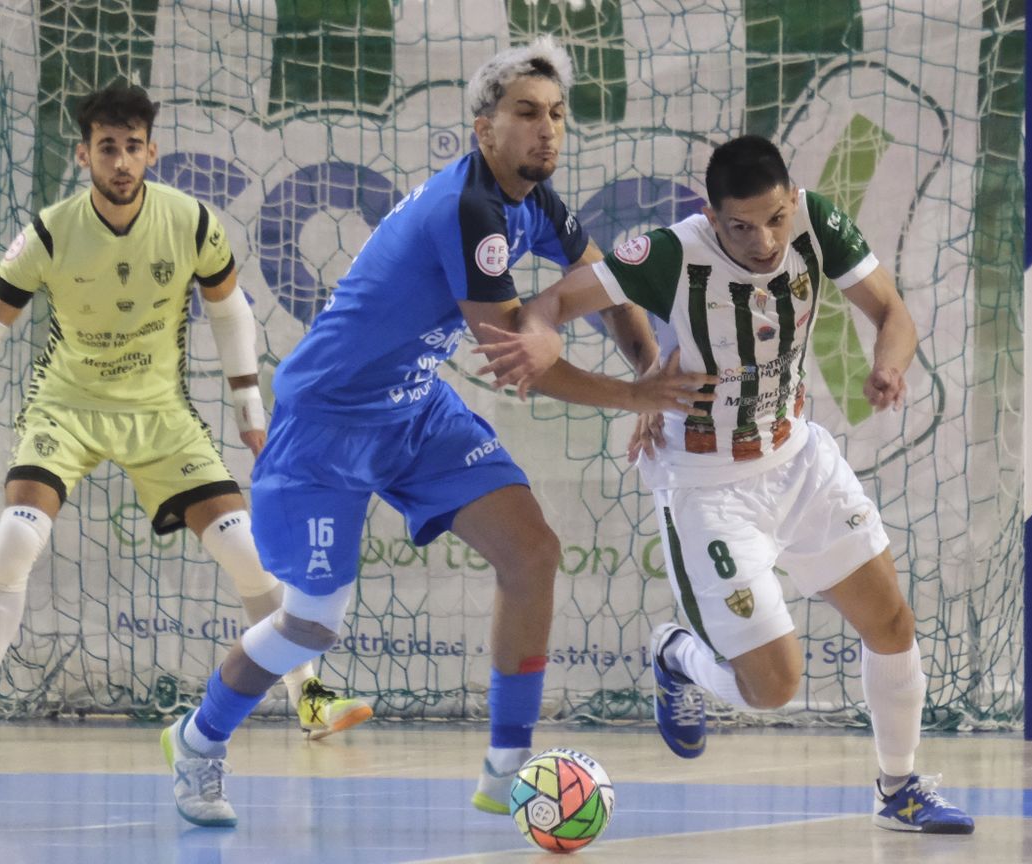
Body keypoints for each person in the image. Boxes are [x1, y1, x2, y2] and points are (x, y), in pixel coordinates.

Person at [159, 37, 716, 827]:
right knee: (311, 622)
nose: (546, 130)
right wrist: (634, 396)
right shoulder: (469, 209)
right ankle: (199, 738)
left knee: (533, 553)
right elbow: (513, 359)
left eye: (557, 114)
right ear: (484, 128)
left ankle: (507, 771)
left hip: (414, 407)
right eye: (526, 113)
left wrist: (653, 376)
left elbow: (611, 285)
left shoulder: (537, 201)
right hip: (328, 421)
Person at [474, 135, 976, 834]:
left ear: (791, 201)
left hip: (799, 459)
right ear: (712, 218)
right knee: (774, 688)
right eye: (741, 226)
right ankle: (677, 654)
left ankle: (899, 787)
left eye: (774, 219)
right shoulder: (672, 254)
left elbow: (893, 313)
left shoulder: (816, 224)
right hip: (708, 487)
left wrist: (889, 366)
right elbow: (553, 302)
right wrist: (539, 337)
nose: (764, 240)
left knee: (891, 622)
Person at [0, 83, 370, 746]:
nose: (119, 162)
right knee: (14, 539)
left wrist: (246, 404)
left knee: (250, 554)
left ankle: (309, 692)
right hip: (66, 408)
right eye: (106, 149)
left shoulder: (192, 222)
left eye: (130, 148)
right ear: (84, 154)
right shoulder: (49, 231)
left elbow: (230, 310)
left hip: (159, 415)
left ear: (151, 152)